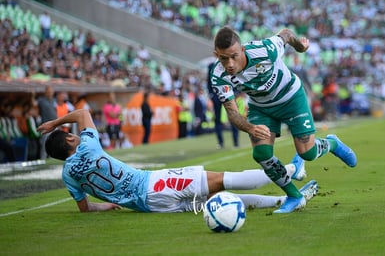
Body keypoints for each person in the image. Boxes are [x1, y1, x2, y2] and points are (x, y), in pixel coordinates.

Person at [36, 109, 318, 213]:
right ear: (71, 140)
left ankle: (287, 202)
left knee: (217, 202)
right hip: (153, 184)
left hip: (149, 206)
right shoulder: (88, 146)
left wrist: (108, 204)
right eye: (69, 133)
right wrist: (55, 122)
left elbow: (85, 208)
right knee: (222, 179)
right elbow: (83, 112)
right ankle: (294, 169)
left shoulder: (68, 176)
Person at [209, 26, 357, 214]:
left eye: (234, 56)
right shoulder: (218, 75)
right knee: (261, 154)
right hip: (261, 108)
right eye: (223, 58)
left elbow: (285, 34)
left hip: (291, 98)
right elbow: (232, 112)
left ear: (243, 50)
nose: (229, 64)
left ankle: (332, 144)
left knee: (308, 153)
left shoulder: (264, 50)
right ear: (216, 54)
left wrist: (299, 47)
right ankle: (295, 196)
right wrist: (250, 128)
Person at [33, 85, 57, 160]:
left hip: (55, 125)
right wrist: (32, 95)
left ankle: (52, 159)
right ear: (45, 92)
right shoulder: (41, 100)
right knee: (44, 144)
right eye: (48, 91)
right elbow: (34, 103)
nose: (50, 93)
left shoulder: (54, 100)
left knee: (54, 144)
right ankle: (42, 159)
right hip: (46, 125)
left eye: (51, 91)